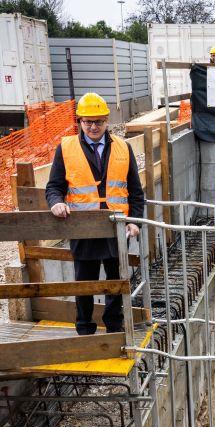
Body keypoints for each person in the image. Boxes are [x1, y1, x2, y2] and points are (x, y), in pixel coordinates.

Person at [45, 92, 144, 336]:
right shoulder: (66, 148)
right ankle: (85, 329)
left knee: (116, 282)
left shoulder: (123, 147)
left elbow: (135, 191)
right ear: (80, 122)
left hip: (116, 227)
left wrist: (134, 221)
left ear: (106, 121)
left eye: (98, 121)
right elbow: (54, 187)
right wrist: (56, 203)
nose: (93, 126)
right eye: (88, 121)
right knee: (84, 283)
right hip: (84, 228)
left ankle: (114, 327)